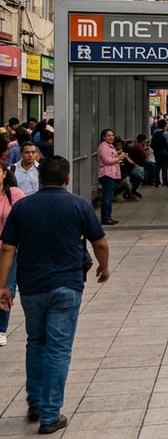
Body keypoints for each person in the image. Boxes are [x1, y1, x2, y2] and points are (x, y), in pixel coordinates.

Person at [0, 155, 110, 434]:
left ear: (39, 178)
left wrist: (3, 286)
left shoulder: (23, 207)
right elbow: (100, 243)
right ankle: (50, 414)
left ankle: (35, 402)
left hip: (32, 287)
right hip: (67, 285)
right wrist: (103, 268)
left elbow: (8, 249)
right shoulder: (78, 204)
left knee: (35, 342)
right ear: (67, 179)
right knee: (58, 349)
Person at [0, 168, 26, 347]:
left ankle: (1, 329)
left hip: (9, 250)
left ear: (4, 173)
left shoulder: (14, 194)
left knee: (6, 287)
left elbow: (26, 216)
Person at [95, 129, 124, 225]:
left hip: (111, 174)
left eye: (112, 135)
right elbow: (107, 160)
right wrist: (119, 158)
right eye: (109, 135)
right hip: (106, 174)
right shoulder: (103, 147)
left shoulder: (110, 146)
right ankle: (106, 218)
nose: (111, 137)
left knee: (109, 196)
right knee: (107, 197)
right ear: (104, 137)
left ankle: (108, 216)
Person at [150, 120, 168, 187]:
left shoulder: (155, 132)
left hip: (157, 152)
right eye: (167, 124)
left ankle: (157, 182)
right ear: (165, 125)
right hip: (164, 152)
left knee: (157, 167)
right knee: (164, 167)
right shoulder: (165, 133)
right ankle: (165, 181)